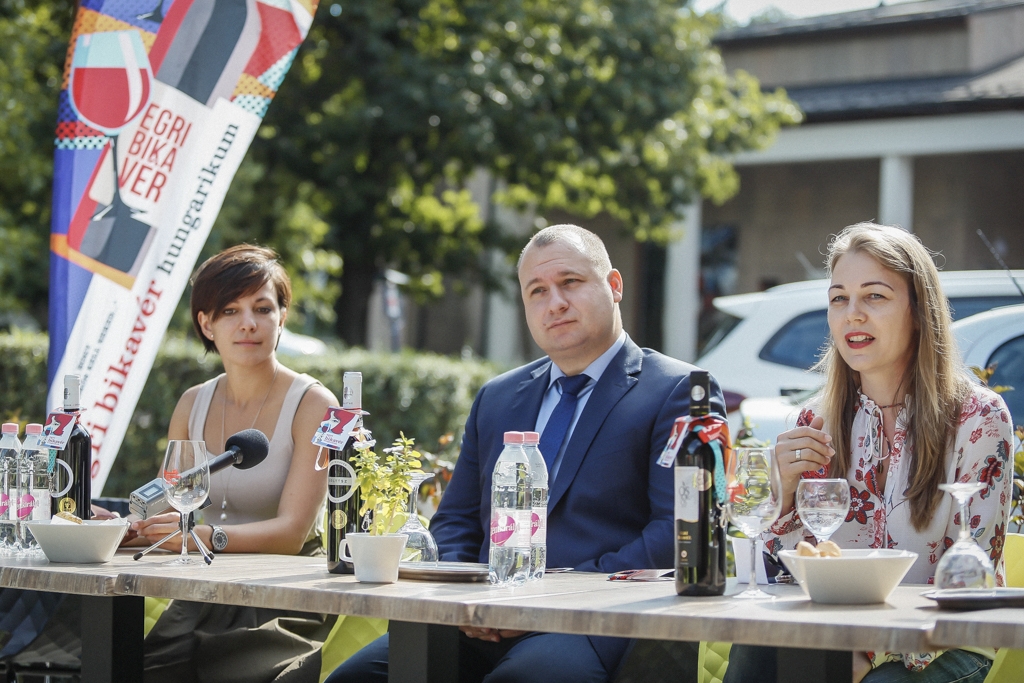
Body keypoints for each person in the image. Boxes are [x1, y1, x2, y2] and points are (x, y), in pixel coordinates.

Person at [327, 224, 726, 683]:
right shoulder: (497, 397)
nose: (555, 302)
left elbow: (677, 530)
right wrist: (463, 597)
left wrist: (548, 597)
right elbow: (455, 522)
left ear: (614, 285)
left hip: (595, 621)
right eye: (537, 291)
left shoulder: (678, 391)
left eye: (570, 282)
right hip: (478, 617)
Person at [724, 223, 1013, 683]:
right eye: (839, 298)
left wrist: (869, 655)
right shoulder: (814, 421)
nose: (852, 315)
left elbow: (967, 587)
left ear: (918, 311)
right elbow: (791, 570)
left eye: (874, 296)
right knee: (755, 649)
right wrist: (781, 492)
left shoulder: (978, 418)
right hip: (836, 637)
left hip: (945, 643)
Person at [137, 244, 337, 683]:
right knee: (135, 666)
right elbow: (169, 499)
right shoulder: (192, 403)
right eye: (230, 310)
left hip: (284, 593)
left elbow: (292, 533)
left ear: (282, 318)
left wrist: (206, 537)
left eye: (262, 308)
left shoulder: (314, 405)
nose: (248, 323)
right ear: (206, 323)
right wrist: (122, 523)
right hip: (203, 588)